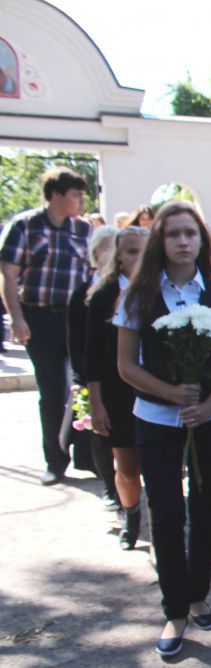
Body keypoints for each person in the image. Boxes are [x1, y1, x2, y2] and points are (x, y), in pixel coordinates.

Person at [114, 201, 211, 657]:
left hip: (210, 419)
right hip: (156, 419)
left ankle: (197, 594)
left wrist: (206, 405)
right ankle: (174, 609)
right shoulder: (138, 295)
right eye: (173, 234)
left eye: (190, 233)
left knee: (207, 510)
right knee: (167, 512)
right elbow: (126, 365)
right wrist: (171, 394)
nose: (183, 241)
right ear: (160, 241)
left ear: (202, 240)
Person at [0, 166, 93, 485]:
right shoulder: (25, 226)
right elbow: (8, 274)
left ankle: (87, 455)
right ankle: (55, 459)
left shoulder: (83, 229)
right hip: (39, 317)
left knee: (85, 384)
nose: (81, 201)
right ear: (56, 195)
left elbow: (92, 272)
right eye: (76, 195)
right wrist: (16, 317)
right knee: (52, 389)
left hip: (76, 317)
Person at [86, 226, 149, 549]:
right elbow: (93, 356)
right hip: (117, 392)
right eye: (131, 252)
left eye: (143, 251)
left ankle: (162, 523)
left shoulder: (161, 290)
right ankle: (131, 515)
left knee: (159, 465)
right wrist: (96, 404)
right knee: (126, 466)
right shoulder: (102, 296)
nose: (138, 258)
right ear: (119, 257)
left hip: (155, 390)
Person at [68, 226, 119, 502]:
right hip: (93, 374)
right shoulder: (82, 293)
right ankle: (109, 485)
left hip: (121, 373)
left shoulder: (127, 290)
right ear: (96, 254)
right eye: (106, 248)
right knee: (100, 432)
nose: (112, 254)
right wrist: (81, 378)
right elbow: (76, 340)